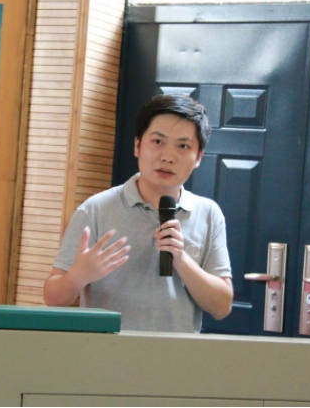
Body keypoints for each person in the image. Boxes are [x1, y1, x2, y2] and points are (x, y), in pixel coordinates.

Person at [43, 93, 233, 333]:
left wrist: (182, 260)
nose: (167, 156)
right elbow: (53, 298)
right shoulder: (96, 209)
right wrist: (78, 276)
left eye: (183, 146)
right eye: (158, 141)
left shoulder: (208, 214)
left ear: (199, 157)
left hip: (178, 354)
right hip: (107, 352)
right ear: (137, 145)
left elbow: (222, 307)